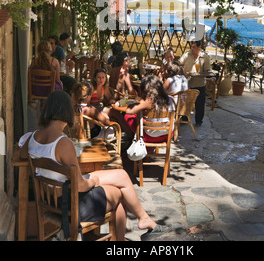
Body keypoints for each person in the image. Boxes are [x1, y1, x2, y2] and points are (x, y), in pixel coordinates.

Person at [18, 91, 166, 241]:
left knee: (121, 175)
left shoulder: (32, 137)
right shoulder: (62, 143)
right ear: (67, 112)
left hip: (52, 198)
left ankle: (144, 218)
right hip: (68, 204)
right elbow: (81, 186)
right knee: (120, 193)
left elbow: (21, 154)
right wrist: (93, 182)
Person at [125, 75, 175, 143]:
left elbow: (129, 111)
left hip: (151, 136)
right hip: (168, 134)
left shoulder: (148, 101)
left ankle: (138, 141)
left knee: (129, 117)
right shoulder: (171, 99)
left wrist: (136, 104)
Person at [90, 68, 134, 139]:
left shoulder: (104, 87)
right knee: (115, 113)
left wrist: (114, 102)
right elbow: (88, 103)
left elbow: (110, 98)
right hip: (93, 110)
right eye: (99, 77)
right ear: (95, 79)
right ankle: (129, 133)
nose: (101, 80)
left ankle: (124, 134)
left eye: (103, 77)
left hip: (100, 107)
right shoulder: (92, 88)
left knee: (115, 115)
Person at [179, 40, 212, 127]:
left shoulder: (204, 57)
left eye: (194, 47)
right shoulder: (187, 54)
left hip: (199, 83)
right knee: (185, 102)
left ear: (199, 47)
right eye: (191, 47)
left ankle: (199, 121)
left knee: (200, 104)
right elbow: (179, 64)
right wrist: (183, 71)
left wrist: (198, 74)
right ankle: (184, 119)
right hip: (187, 83)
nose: (192, 49)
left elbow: (208, 72)